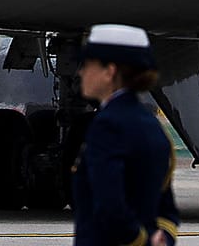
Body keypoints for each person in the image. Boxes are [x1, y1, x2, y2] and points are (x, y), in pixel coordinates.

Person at [72, 23, 179, 246]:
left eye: (88, 64)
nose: (81, 72)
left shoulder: (108, 125)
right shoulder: (152, 125)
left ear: (109, 72)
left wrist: (136, 239)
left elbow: (109, 202)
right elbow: (166, 207)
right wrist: (161, 238)